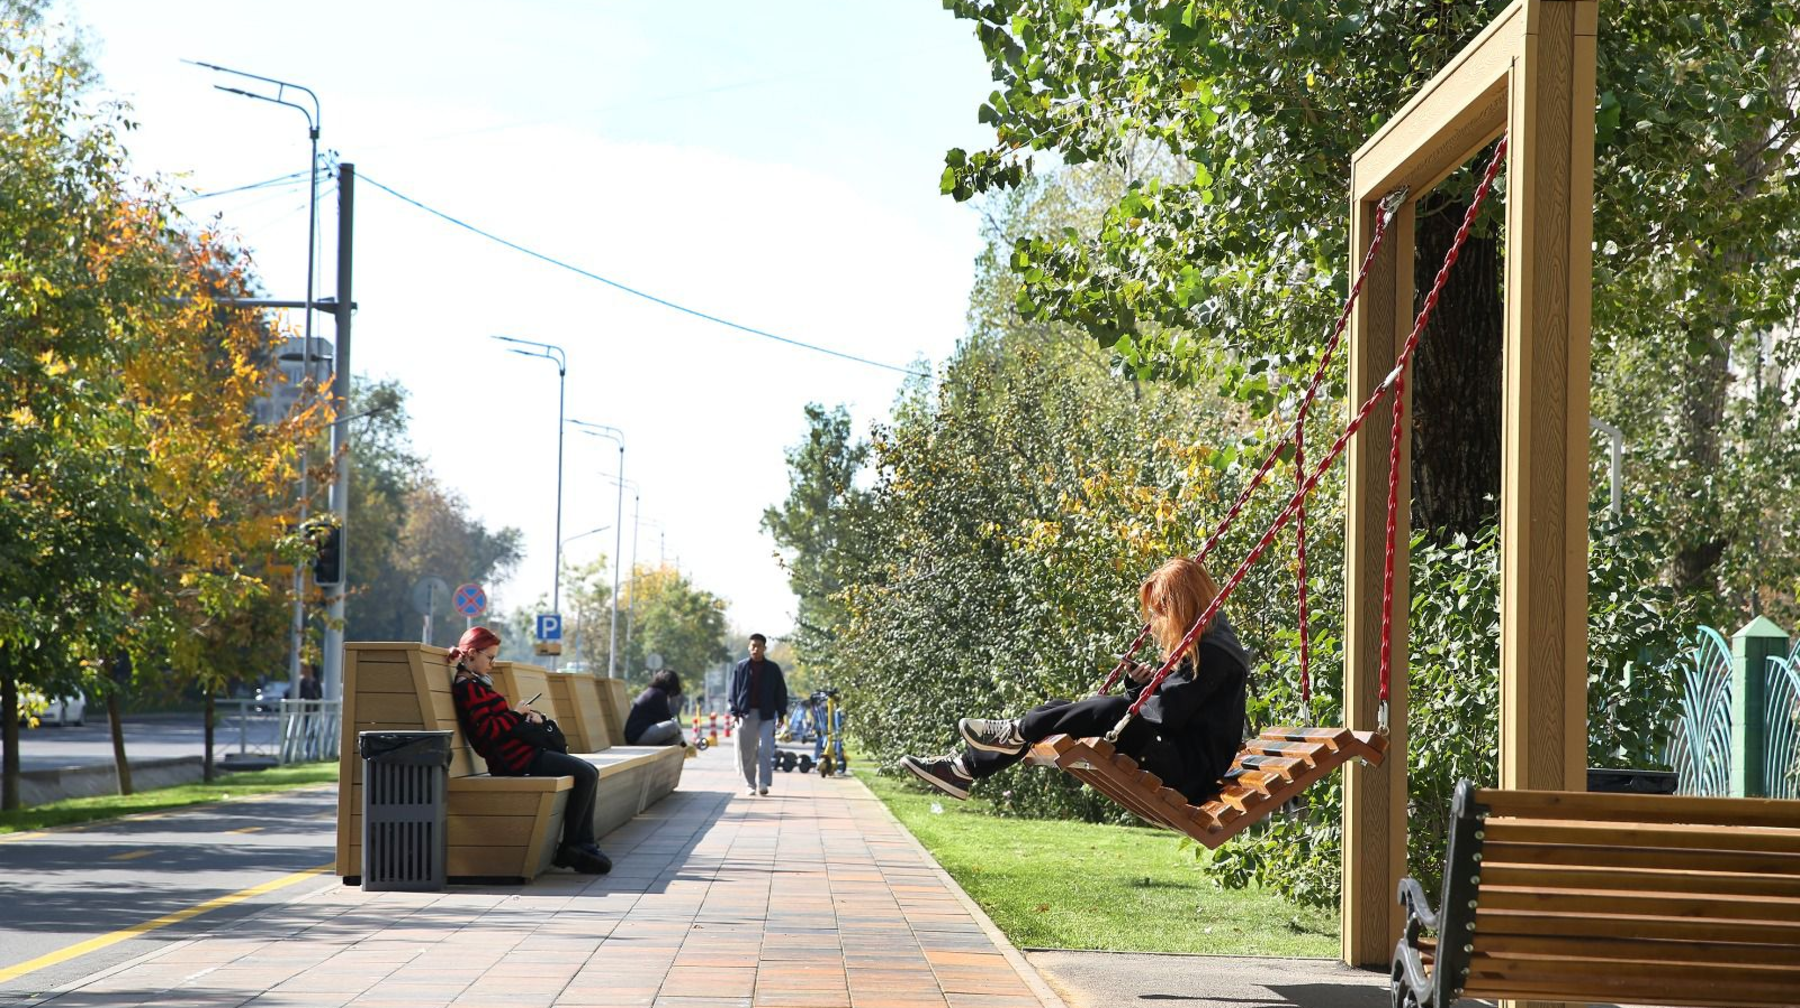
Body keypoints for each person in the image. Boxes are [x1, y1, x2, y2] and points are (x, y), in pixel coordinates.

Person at [901, 556, 1249, 805]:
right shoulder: (1208, 642)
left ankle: (1012, 733)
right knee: (1062, 709)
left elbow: (1167, 715)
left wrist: (1139, 694)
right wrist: (1142, 686)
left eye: (1161, 610)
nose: (1157, 621)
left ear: (1183, 605)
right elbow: (1176, 708)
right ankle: (965, 768)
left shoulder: (1215, 652)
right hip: (1176, 755)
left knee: (1111, 709)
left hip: (1188, 771)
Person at [447, 626, 611, 874]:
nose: (493, 663)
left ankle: (580, 844)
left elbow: (496, 725)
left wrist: (525, 718)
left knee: (588, 772)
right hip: (513, 761)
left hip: (521, 754)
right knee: (587, 774)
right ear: (471, 654)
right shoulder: (468, 689)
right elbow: (487, 732)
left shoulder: (476, 685)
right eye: (490, 657)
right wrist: (516, 714)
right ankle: (575, 845)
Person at [728, 633, 788, 796]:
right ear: (749, 647)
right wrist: (735, 711)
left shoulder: (773, 669)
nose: (755, 649)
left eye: (759, 646)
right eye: (752, 646)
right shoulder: (741, 667)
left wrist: (781, 714)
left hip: (767, 715)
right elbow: (734, 691)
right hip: (746, 714)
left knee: (765, 749)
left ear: (764, 648)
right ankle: (750, 783)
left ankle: (763, 782)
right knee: (747, 751)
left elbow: (780, 692)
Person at [625, 669, 687, 746]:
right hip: (638, 736)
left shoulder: (653, 692)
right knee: (673, 726)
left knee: (675, 738)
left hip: (636, 736)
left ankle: (685, 750)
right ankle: (686, 748)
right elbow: (668, 719)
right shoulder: (658, 694)